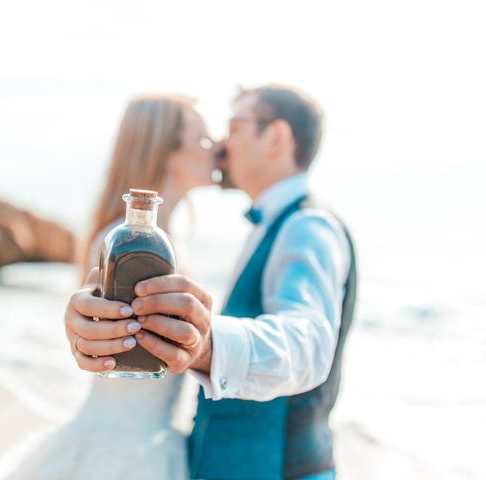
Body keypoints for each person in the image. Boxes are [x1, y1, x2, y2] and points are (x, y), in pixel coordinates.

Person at [65, 84, 357, 480]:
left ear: (275, 137)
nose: (219, 145)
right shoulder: (257, 227)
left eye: (233, 128)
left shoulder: (308, 227)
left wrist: (202, 342)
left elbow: (307, 344)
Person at [2, 95, 215, 480]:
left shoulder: (169, 242)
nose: (215, 147)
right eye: (202, 138)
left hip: (152, 439)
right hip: (123, 451)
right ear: (167, 148)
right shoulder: (125, 245)